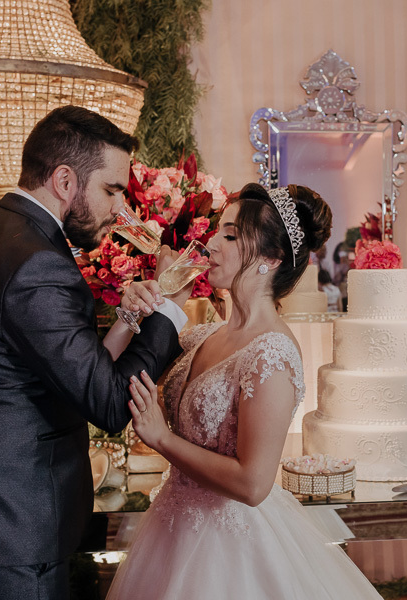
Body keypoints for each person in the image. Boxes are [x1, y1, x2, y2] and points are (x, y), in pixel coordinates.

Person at [0, 105, 189, 600]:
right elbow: (109, 404)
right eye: (112, 190)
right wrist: (171, 310)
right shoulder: (39, 262)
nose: (121, 209)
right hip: (7, 533)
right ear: (64, 180)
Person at [106, 183, 383, 599]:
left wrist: (162, 439)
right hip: (169, 530)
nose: (212, 244)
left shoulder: (272, 353)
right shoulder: (200, 336)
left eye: (231, 236)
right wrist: (132, 312)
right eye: (218, 231)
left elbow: (253, 484)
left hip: (228, 551)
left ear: (271, 258)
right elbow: (108, 381)